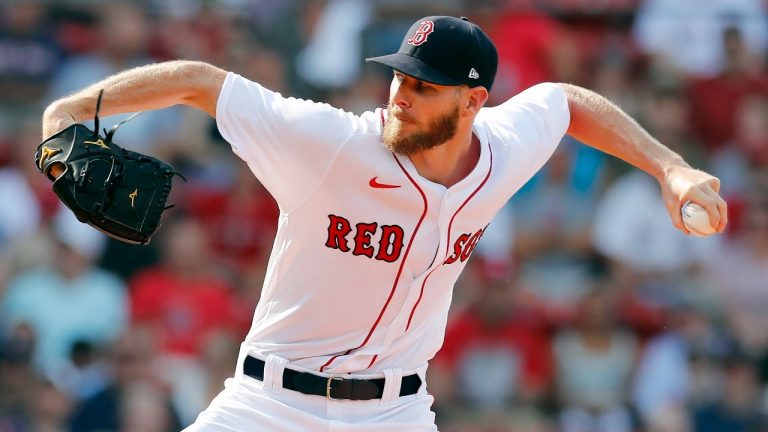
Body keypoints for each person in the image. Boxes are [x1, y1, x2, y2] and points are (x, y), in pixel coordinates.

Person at [40, 15, 727, 432]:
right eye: (400, 76)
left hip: (392, 412)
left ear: (474, 101)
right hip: (270, 402)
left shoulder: (504, 152)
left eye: (423, 85)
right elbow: (199, 78)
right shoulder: (329, 142)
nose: (401, 94)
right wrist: (71, 110)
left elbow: (568, 101)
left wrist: (669, 167)